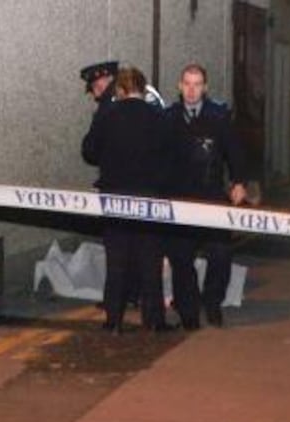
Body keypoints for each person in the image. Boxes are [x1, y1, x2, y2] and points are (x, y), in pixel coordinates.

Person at [82, 65, 173, 334]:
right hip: (150, 197)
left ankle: (113, 321)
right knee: (150, 261)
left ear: (119, 90)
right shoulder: (159, 117)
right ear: (143, 90)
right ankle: (155, 320)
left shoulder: (106, 115)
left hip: (114, 197)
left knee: (117, 262)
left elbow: (88, 151)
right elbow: (171, 156)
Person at [162, 63, 248, 328]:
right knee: (180, 257)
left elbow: (235, 152)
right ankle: (188, 311)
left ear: (205, 88)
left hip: (211, 196)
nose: (191, 90)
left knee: (220, 254)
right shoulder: (169, 117)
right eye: (187, 83)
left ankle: (212, 304)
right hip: (180, 198)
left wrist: (239, 181)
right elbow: (159, 157)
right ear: (179, 86)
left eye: (197, 84)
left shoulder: (218, 116)